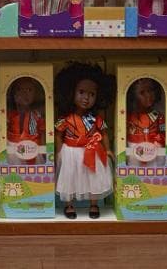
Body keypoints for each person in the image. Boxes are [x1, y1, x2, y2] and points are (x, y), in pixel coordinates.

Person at [54, 61, 114, 219]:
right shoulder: (65, 119)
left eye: (92, 94)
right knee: (70, 178)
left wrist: (107, 149)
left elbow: (105, 133)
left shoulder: (96, 118)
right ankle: (69, 205)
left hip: (92, 149)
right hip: (71, 152)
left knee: (93, 177)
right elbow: (58, 135)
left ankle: (93, 204)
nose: (86, 98)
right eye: (81, 92)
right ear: (70, 92)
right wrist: (59, 152)